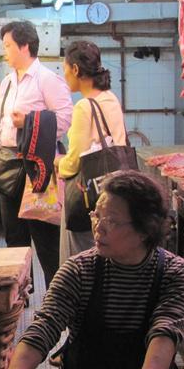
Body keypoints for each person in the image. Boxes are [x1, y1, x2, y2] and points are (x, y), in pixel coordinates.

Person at [0, 171, 184, 369]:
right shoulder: (79, 269)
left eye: (111, 221)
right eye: (96, 215)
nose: (98, 228)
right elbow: (45, 326)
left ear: (145, 229)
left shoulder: (177, 273)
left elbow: (165, 330)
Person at [0, 21, 73, 285]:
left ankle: (56, 296)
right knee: (14, 240)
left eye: (8, 45)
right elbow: (1, 124)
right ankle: (20, 298)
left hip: (37, 170)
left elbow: (65, 119)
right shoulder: (7, 82)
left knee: (46, 240)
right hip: (9, 167)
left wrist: (28, 121)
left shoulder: (47, 80)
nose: (4, 51)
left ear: (24, 46)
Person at [57, 40, 127, 264]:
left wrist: (58, 163)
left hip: (88, 198)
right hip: (115, 192)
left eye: (65, 69)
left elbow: (75, 162)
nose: (64, 75)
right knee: (108, 259)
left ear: (76, 69)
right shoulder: (111, 98)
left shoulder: (84, 106)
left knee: (82, 260)